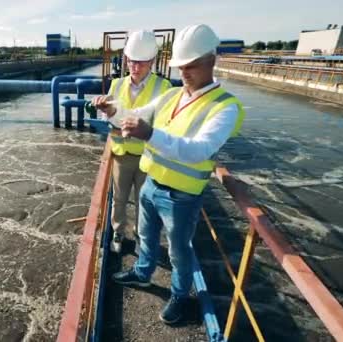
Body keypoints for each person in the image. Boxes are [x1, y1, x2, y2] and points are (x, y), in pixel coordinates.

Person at [97, 24, 246, 324]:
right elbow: (134, 116)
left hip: (182, 195)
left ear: (211, 60)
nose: (185, 72)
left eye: (192, 65)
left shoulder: (226, 107)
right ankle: (142, 272)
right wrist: (112, 111)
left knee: (179, 251)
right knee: (146, 236)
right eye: (181, 66)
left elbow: (199, 150)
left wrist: (150, 134)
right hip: (151, 183)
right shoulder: (171, 95)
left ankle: (179, 295)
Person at [92, 30, 172, 254]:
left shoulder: (164, 88)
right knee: (119, 198)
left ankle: (140, 235)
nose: (135, 68)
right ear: (126, 59)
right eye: (132, 61)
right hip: (121, 154)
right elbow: (105, 118)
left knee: (144, 203)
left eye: (142, 63)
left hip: (149, 156)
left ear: (152, 61)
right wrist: (106, 113)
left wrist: (127, 123)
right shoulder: (116, 84)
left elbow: (163, 125)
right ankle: (118, 231)